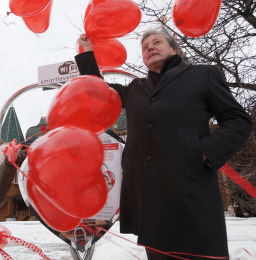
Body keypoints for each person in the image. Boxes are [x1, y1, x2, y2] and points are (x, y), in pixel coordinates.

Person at [75, 28, 253, 259]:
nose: (149, 47)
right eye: (144, 46)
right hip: (149, 195)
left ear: (173, 48)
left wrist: (206, 152)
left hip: (190, 189)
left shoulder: (203, 75)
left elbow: (238, 120)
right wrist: (87, 54)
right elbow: (98, 92)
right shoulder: (135, 89)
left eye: (156, 42)